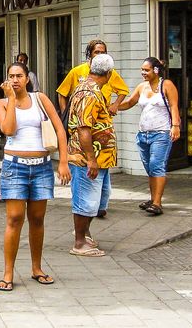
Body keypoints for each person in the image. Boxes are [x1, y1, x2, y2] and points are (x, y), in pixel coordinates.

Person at [0, 62, 70, 292]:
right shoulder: (2, 103)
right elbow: (8, 130)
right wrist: (12, 100)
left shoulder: (40, 99)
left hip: (41, 166)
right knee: (15, 218)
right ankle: (8, 272)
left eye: (19, 76)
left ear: (27, 78)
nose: (15, 80)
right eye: (11, 76)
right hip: (14, 166)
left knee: (37, 219)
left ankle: (36, 268)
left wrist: (64, 161)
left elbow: (59, 129)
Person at [64, 53, 119, 257]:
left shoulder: (91, 89)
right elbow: (84, 128)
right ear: (108, 73)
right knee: (86, 200)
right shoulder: (88, 92)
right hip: (87, 157)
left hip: (98, 157)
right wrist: (91, 159)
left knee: (97, 200)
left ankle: (84, 235)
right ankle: (79, 242)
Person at [117, 57, 181, 216]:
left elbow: (174, 106)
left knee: (156, 166)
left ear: (156, 71)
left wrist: (175, 126)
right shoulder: (141, 87)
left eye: (146, 70)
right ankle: (153, 199)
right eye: (142, 70)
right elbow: (130, 103)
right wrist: (113, 106)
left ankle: (157, 203)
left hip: (161, 133)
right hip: (143, 135)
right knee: (150, 168)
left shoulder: (166, 85)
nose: (143, 73)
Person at [56, 39, 130, 117]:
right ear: (90, 54)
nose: (100, 55)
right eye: (96, 52)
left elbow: (123, 91)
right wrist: (65, 115)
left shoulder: (110, 71)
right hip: (81, 118)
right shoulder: (76, 71)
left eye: (103, 52)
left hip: (102, 119)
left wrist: (115, 105)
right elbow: (62, 93)